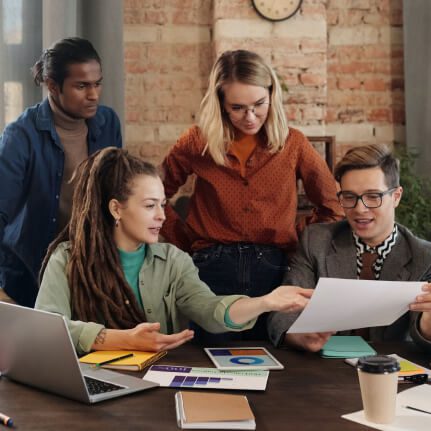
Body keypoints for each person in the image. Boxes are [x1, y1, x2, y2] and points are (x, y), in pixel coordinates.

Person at [35, 147, 312, 355]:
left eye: (163, 204)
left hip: (158, 387)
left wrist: (266, 302)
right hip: (91, 385)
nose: (162, 216)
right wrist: (122, 339)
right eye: (149, 205)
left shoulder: (174, 261)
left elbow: (210, 309)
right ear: (116, 208)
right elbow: (47, 329)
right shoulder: (68, 259)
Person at [161, 49, 343, 342]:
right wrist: (185, 240)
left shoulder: (294, 144)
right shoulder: (196, 142)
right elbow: (156, 196)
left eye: (259, 104)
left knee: (273, 361)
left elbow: (332, 207)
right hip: (210, 270)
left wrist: (294, 234)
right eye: (237, 108)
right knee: (210, 360)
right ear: (220, 103)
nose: (250, 117)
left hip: (272, 269)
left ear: (272, 94)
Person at [267, 143, 431, 353]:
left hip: (392, 371)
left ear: (396, 196)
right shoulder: (316, 240)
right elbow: (282, 313)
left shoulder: (424, 256)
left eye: (373, 197)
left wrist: (428, 324)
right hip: (324, 368)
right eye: (349, 197)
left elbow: (421, 333)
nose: (360, 209)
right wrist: (298, 335)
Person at [0, 37, 122, 307]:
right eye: (81, 86)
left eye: (97, 83)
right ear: (53, 86)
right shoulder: (20, 135)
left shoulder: (109, 122)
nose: (94, 95)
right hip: (29, 273)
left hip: (91, 269)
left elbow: (116, 192)